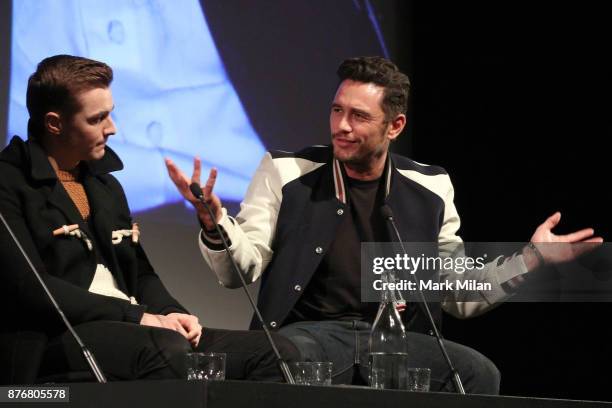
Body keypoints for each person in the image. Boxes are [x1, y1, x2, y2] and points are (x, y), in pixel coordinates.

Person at [166, 56, 602, 393]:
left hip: (396, 342)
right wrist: (216, 222)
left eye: (359, 116)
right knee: (283, 357)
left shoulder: (429, 187)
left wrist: (531, 259)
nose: (341, 126)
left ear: (395, 126)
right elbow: (239, 272)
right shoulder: (287, 172)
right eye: (337, 111)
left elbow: (457, 293)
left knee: (477, 372)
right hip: (308, 336)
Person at [0, 54, 299, 382]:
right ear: (54, 123)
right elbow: (30, 289)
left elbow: (140, 273)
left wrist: (173, 312)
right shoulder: (10, 181)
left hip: (132, 327)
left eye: (110, 115)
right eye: (97, 119)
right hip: (57, 336)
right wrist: (138, 317)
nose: (112, 128)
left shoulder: (105, 184)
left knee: (275, 353)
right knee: (165, 350)